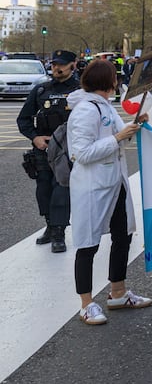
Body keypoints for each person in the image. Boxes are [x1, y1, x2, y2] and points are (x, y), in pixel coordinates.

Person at [68, 59, 152, 325]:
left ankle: (118, 292)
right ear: (108, 82)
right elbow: (81, 153)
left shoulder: (104, 106)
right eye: (115, 78)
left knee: (123, 235)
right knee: (88, 244)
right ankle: (86, 303)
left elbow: (119, 134)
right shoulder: (85, 110)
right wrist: (117, 137)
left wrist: (135, 125)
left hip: (115, 183)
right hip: (93, 186)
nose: (117, 82)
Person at [17, 49, 78, 253]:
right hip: (43, 149)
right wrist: (35, 137)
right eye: (54, 65)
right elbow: (23, 119)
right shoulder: (41, 90)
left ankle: (59, 232)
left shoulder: (80, 90)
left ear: (73, 65)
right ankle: (50, 226)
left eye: (61, 65)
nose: (56, 68)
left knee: (61, 189)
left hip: (67, 150)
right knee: (43, 189)